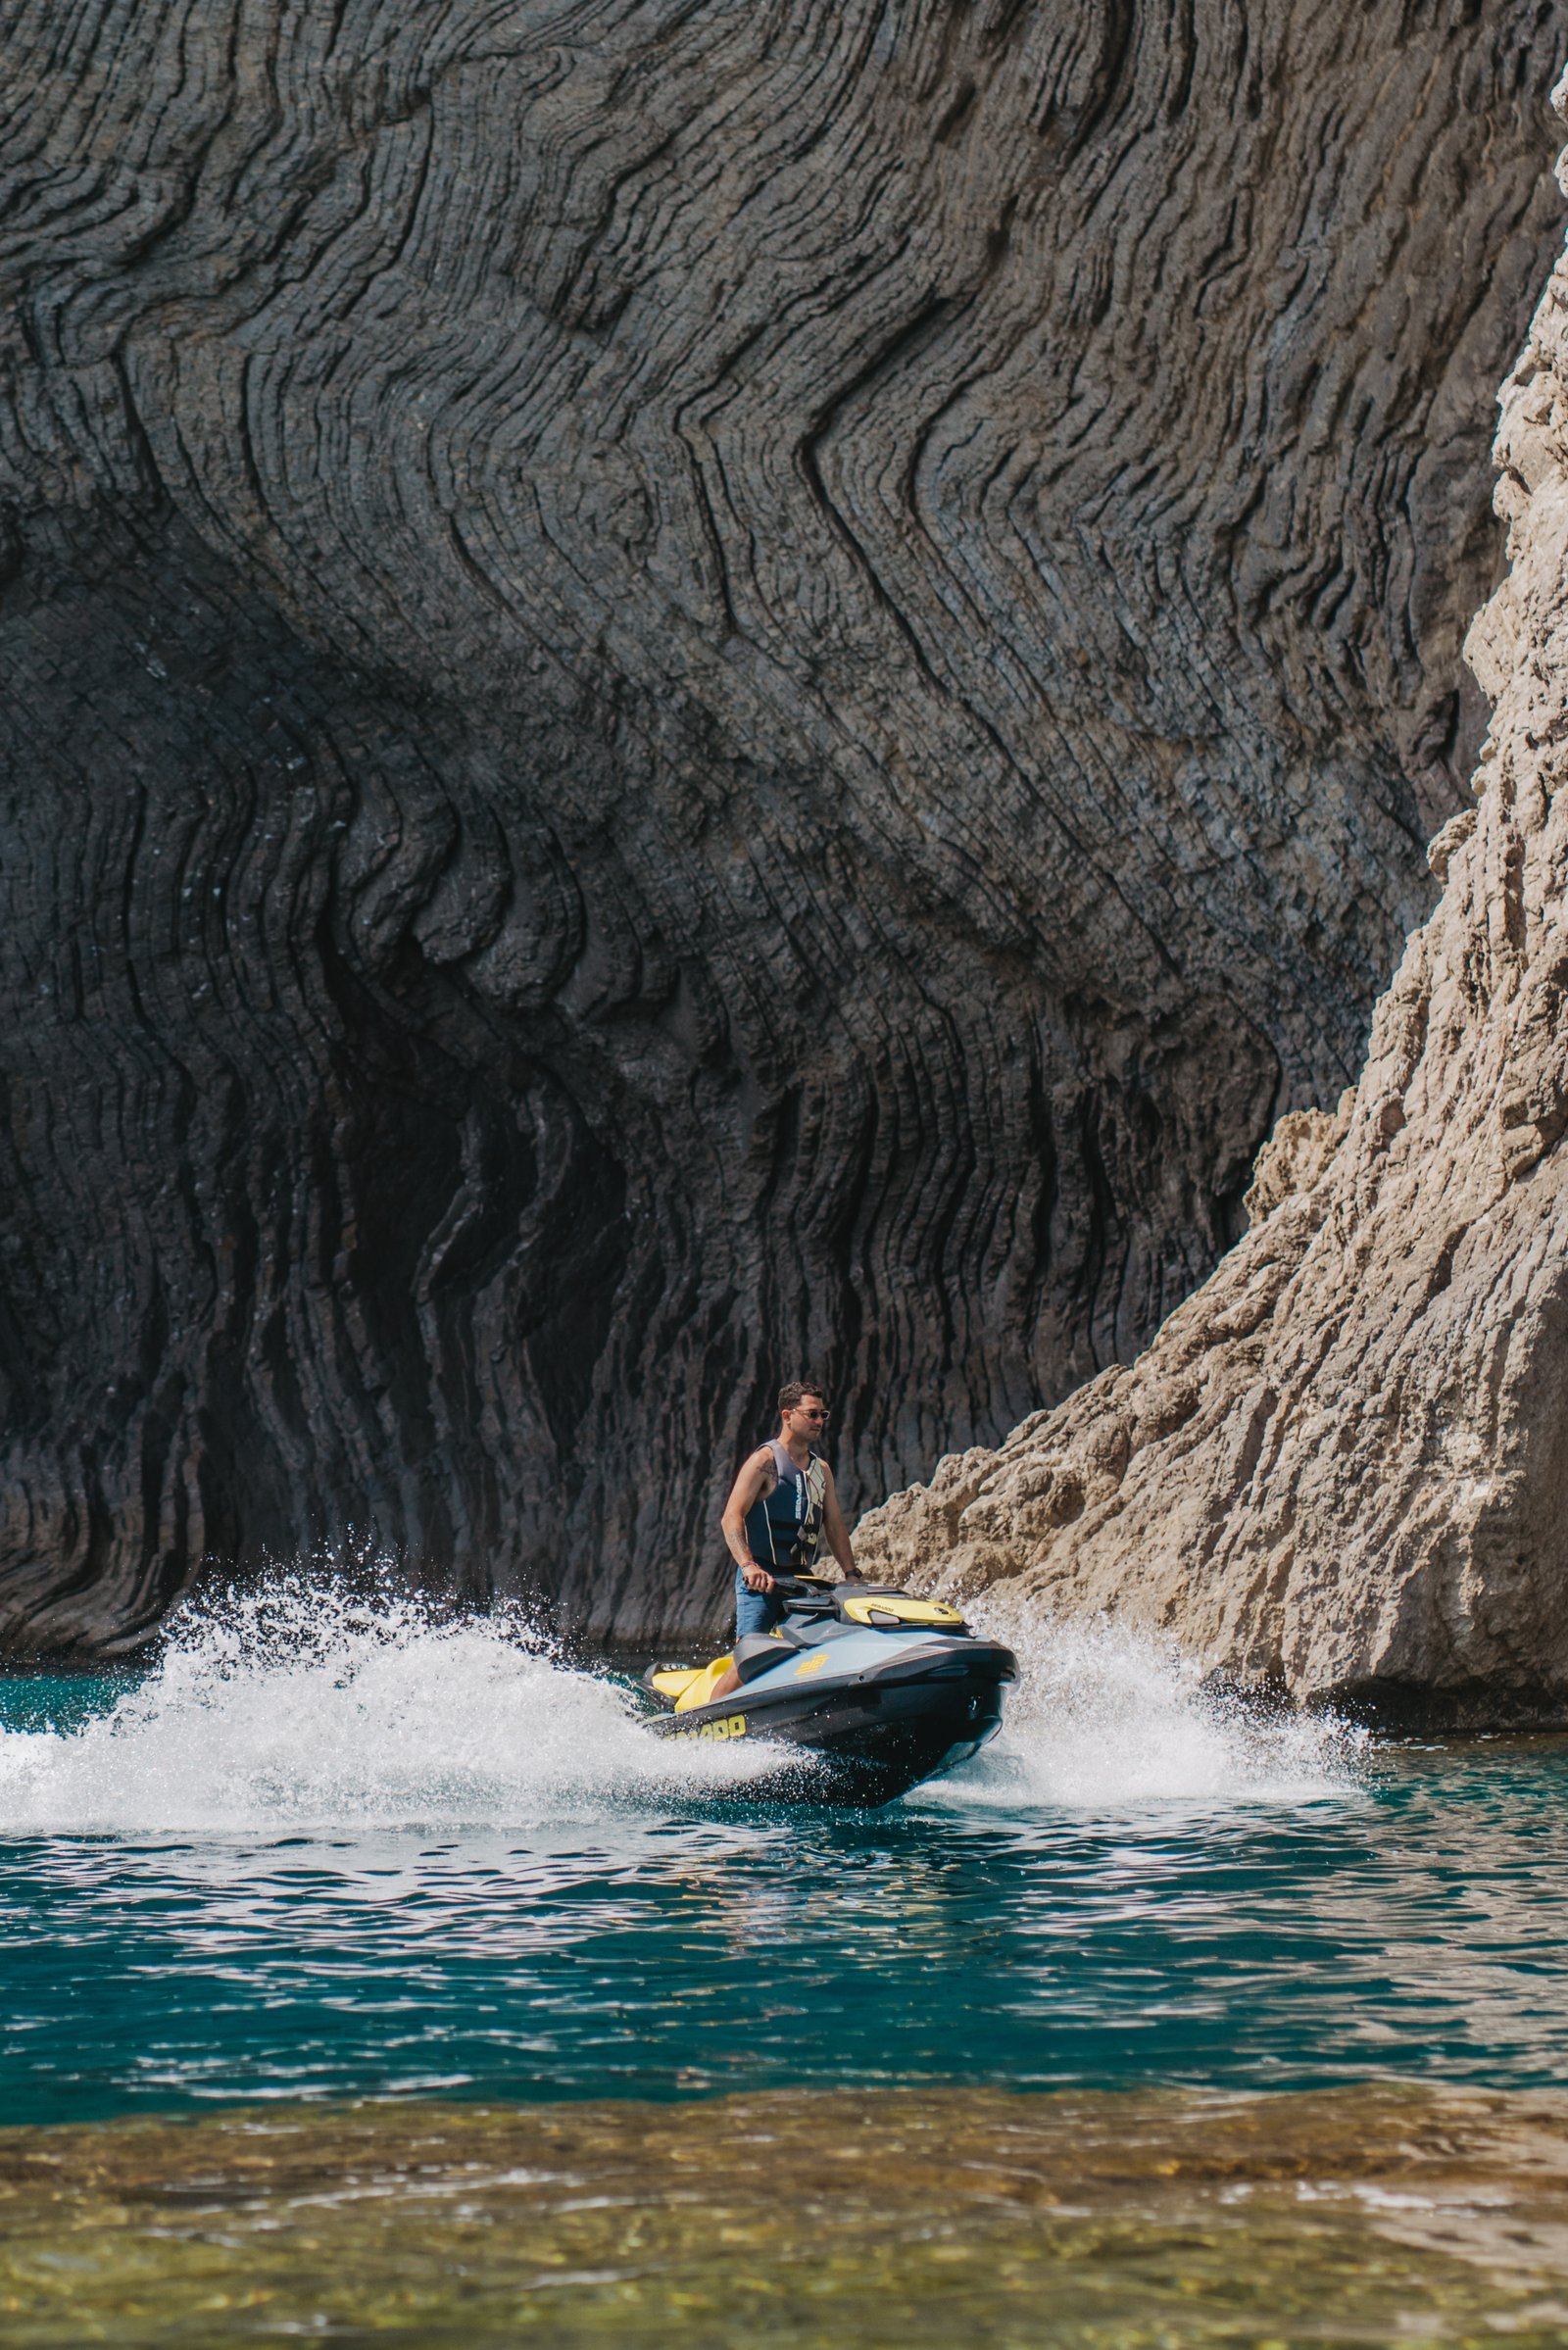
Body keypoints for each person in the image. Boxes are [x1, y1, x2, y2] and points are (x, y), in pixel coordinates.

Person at [708, 1383, 857, 1700]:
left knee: (829, 1638)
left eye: (823, 1414)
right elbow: (730, 1517)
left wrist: (851, 1573)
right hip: (761, 1579)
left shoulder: (822, 1471)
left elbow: (835, 1525)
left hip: (802, 1580)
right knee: (749, 1656)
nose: (819, 1421)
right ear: (788, 1416)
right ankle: (704, 1725)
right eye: (812, 1414)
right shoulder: (764, 1461)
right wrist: (748, 1565)